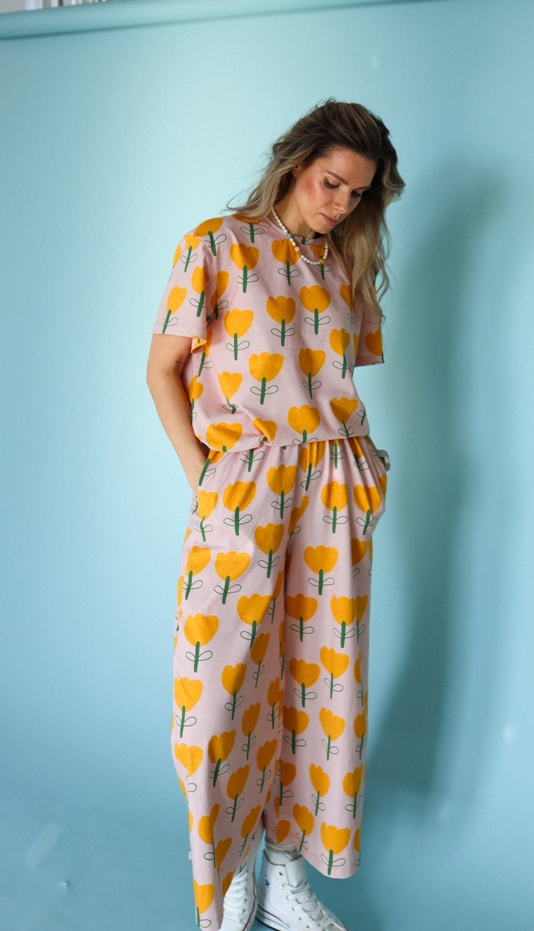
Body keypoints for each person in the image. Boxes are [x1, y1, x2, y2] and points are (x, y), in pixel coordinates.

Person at [146, 99, 404, 931]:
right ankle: (227, 874)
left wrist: (362, 473)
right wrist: (204, 476)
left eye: (358, 193)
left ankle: (286, 871)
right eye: (331, 183)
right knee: (218, 690)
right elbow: (160, 369)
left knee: (320, 686)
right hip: (245, 487)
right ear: (295, 165)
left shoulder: (345, 264)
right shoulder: (217, 246)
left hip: (333, 490)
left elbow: (335, 379)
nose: (340, 204)